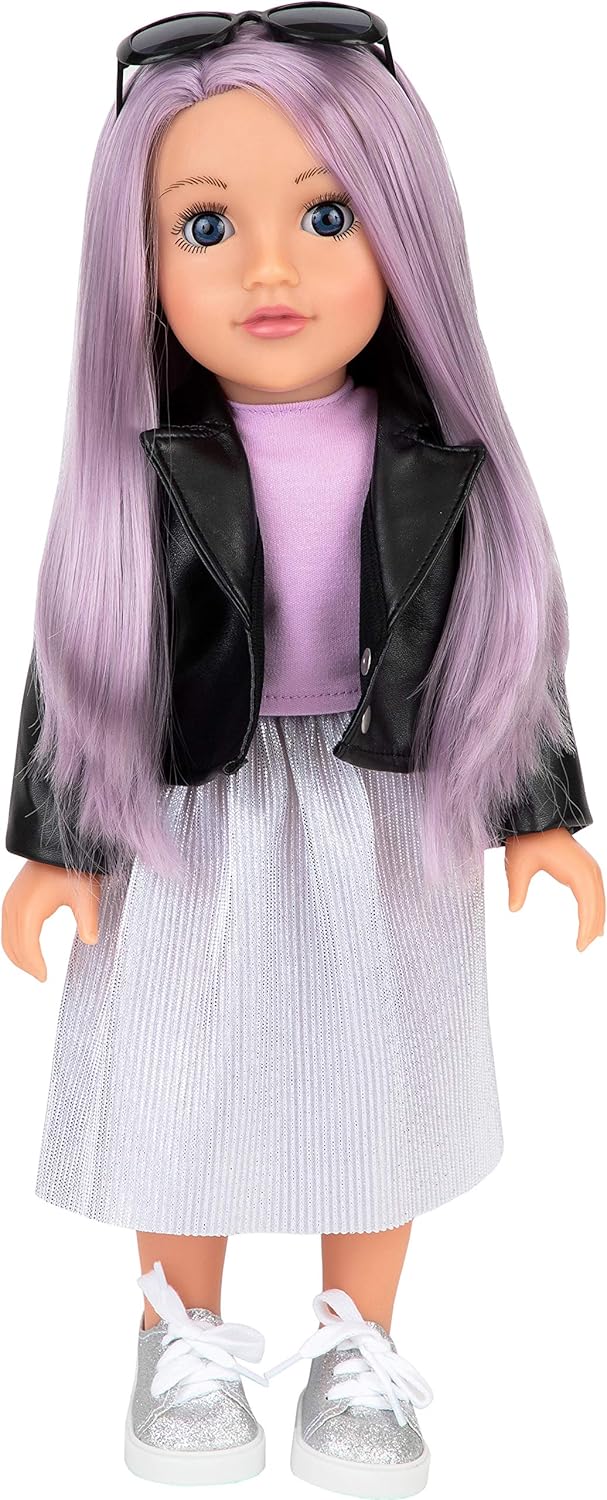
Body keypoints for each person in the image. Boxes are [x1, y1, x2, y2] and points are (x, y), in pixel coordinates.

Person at [2, 10, 604, 1496]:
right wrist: (57, 849)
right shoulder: (138, 470)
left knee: (382, 1070)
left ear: (406, 234)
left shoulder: (433, 458)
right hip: (188, 803)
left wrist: (538, 815)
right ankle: (179, 1334)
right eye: (206, 227)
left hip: (386, 795)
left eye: (327, 217)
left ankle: (358, 1340)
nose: (270, 270)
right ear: (140, 263)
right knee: (177, 1068)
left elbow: (499, 636)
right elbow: (87, 650)